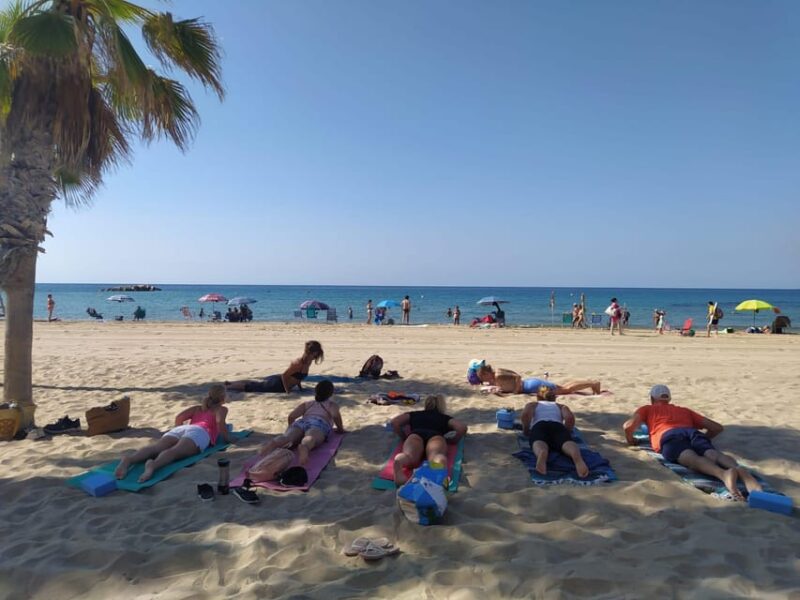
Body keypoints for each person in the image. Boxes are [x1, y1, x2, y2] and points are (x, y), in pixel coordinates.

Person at [623, 385, 762, 500]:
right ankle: (737, 468)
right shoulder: (684, 411)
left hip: (668, 436)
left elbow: (628, 426)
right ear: (669, 398)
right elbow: (716, 427)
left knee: (691, 458)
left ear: (652, 399)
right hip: (691, 432)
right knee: (713, 453)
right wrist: (705, 438)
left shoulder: (647, 409)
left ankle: (722, 474)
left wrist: (631, 440)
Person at [114, 384, 229, 483]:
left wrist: (180, 434)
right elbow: (219, 423)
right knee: (174, 452)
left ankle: (129, 459)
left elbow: (179, 418)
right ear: (223, 398)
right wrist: (228, 439)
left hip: (183, 429)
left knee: (155, 448)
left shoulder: (198, 408)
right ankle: (153, 465)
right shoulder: (221, 409)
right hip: (200, 432)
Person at [256, 380, 345, 467]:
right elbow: (336, 416)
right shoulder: (331, 405)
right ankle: (304, 447)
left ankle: (275, 443)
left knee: (288, 438)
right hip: (319, 423)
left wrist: (290, 427)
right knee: (311, 437)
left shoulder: (308, 404)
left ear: (316, 391)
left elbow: (292, 416)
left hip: (302, 422)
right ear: (330, 394)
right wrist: (340, 429)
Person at [390, 395, 468, 485]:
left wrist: (403, 436)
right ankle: (440, 466)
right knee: (435, 458)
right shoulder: (444, 418)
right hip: (436, 436)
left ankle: (399, 462)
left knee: (409, 457)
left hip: (416, 435)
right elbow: (462, 427)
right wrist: (454, 440)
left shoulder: (415, 414)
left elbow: (394, 422)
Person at [521, 386, 588, 477]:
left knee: (539, 441)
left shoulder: (534, 404)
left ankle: (542, 452)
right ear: (554, 398)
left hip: (540, 425)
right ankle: (577, 457)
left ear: (538, 397)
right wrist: (567, 431)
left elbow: (525, 415)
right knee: (566, 442)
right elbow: (569, 418)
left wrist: (526, 430)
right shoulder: (561, 406)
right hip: (557, 426)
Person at [226, 340, 324, 394]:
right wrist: (287, 391)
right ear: (311, 353)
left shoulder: (309, 362)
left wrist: (300, 388)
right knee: (251, 387)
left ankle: (230, 383)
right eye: (316, 354)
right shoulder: (297, 363)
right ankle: (229, 386)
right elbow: (284, 376)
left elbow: (297, 378)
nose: (317, 356)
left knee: (255, 384)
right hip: (277, 385)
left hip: (280, 384)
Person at [474, 363, 601, 396]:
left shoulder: (498, 375)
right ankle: (591, 383)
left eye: (482, 377)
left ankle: (593, 383)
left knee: (566, 390)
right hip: (532, 384)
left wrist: (516, 391)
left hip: (534, 387)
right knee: (563, 388)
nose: (483, 380)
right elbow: (513, 377)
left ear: (486, 373)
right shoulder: (497, 373)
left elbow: (517, 377)